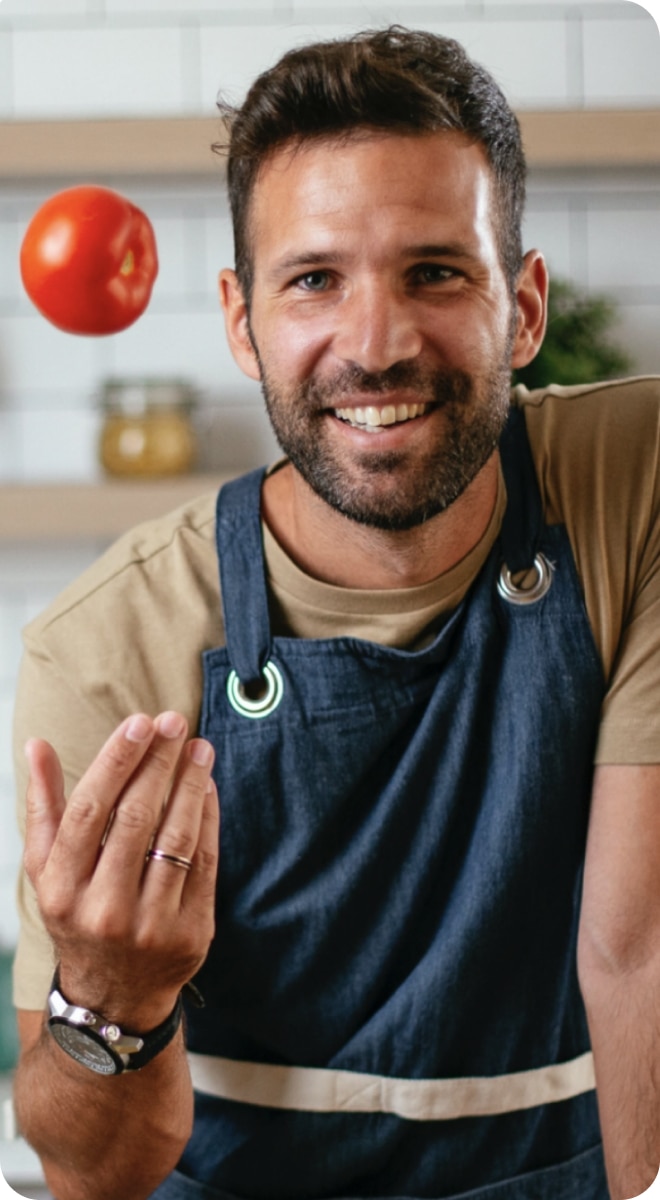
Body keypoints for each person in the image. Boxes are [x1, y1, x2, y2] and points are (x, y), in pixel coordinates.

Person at [9, 24, 660, 1200]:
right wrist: (108, 997)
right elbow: (89, 1174)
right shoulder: (108, 644)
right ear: (241, 319)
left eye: (435, 272)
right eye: (314, 279)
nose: (377, 345)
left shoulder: (633, 487)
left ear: (521, 307)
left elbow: (637, 952)